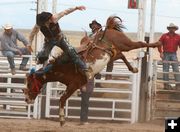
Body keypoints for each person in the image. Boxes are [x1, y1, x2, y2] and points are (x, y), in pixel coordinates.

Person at [29, 6, 92, 79]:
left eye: (50, 19)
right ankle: (42, 67)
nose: (51, 20)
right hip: (49, 41)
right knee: (43, 55)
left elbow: (65, 11)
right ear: (44, 22)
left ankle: (86, 69)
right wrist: (29, 44)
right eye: (48, 20)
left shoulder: (55, 17)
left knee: (72, 53)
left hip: (60, 39)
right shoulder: (38, 25)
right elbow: (32, 34)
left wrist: (76, 8)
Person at [158, 23, 180, 90]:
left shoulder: (178, 36)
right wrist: (161, 52)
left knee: (176, 69)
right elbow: (159, 44)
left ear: (175, 29)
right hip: (165, 54)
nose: (172, 29)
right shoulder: (164, 36)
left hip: (174, 54)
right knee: (165, 70)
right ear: (169, 29)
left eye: (173, 28)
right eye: (171, 28)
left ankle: (178, 85)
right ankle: (166, 85)